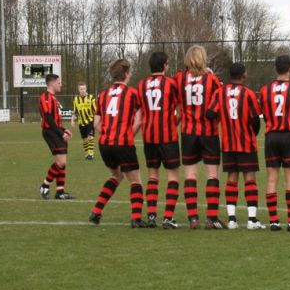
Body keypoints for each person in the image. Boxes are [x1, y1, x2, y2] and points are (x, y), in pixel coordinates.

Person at [88, 59, 145, 226]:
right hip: (123, 143)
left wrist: (108, 133)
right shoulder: (133, 93)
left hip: (105, 144)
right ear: (126, 74)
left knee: (116, 176)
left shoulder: (102, 95)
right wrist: (128, 135)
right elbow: (139, 120)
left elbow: (96, 123)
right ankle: (136, 218)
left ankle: (96, 211)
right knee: (135, 181)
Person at [208, 62, 264, 230]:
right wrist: (252, 133)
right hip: (246, 142)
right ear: (243, 75)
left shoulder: (219, 92)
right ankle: (252, 220)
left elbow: (210, 113)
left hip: (228, 143)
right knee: (250, 179)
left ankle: (232, 220)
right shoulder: (248, 94)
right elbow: (255, 120)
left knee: (231, 179)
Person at [258, 55, 290, 232]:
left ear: (275, 69)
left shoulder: (265, 90)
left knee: (271, 178)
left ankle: (274, 221)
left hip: (271, 137)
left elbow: (263, 114)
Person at [175, 45, 223, 230]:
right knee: (212, 174)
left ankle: (193, 218)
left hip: (188, 132)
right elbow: (219, 101)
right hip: (209, 132)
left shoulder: (179, 78)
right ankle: (211, 218)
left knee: (190, 175)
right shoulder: (211, 79)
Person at [138, 51, 182, 229]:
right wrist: (172, 123)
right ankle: (168, 217)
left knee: (152, 176)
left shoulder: (141, 85)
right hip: (167, 136)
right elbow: (180, 111)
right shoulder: (171, 83)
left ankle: (151, 216)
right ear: (164, 65)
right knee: (173, 176)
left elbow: (140, 112)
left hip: (149, 137)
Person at [38, 74, 74, 199]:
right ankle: (45, 186)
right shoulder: (45, 97)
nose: (60, 85)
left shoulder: (54, 98)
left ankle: (60, 192)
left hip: (56, 131)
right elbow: (48, 117)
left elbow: (55, 119)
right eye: (59, 83)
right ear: (52, 83)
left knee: (62, 162)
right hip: (50, 132)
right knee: (61, 161)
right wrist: (60, 133)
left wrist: (64, 129)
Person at [71, 82, 97, 160]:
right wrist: (72, 120)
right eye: (81, 89)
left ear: (86, 89)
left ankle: (91, 154)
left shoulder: (91, 98)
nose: (82, 90)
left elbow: (96, 110)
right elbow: (75, 111)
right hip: (81, 122)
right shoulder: (76, 99)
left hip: (90, 121)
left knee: (90, 137)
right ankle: (87, 153)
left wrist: (97, 120)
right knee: (84, 139)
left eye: (84, 89)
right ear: (78, 90)